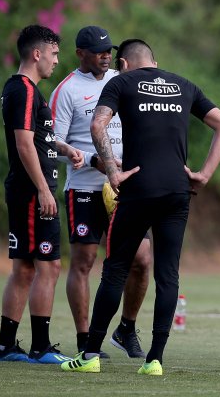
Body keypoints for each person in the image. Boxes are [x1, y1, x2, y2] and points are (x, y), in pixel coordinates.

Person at [61, 39, 220, 375]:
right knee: (168, 274)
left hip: (138, 187)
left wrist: (112, 170)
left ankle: (90, 355)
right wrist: (204, 174)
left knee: (115, 269)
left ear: (124, 63)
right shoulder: (184, 85)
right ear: (153, 61)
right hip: (177, 189)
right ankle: (155, 360)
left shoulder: (120, 82)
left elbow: (97, 125)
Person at [49, 26, 151, 359]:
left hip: (127, 186)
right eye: (98, 51)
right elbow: (52, 140)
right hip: (85, 187)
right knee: (84, 262)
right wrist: (84, 156)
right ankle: (84, 339)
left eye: (109, 51)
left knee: (141, 259)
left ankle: (125, 329)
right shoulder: (67, 90)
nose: (105, 56)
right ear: (80, 54)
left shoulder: (121, 82)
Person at [0, 25, 80, 364]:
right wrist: (44, 190)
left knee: (26, 269)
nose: (57, 61)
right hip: (32, 193)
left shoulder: (22, 90)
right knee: (49, 266)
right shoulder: (25, 90)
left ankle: (5, 346)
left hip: (27, 191)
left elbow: (35, 138)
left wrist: (61, 146)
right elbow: (23, 144)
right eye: (55, 53)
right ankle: (40, 346)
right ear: (37, 54)